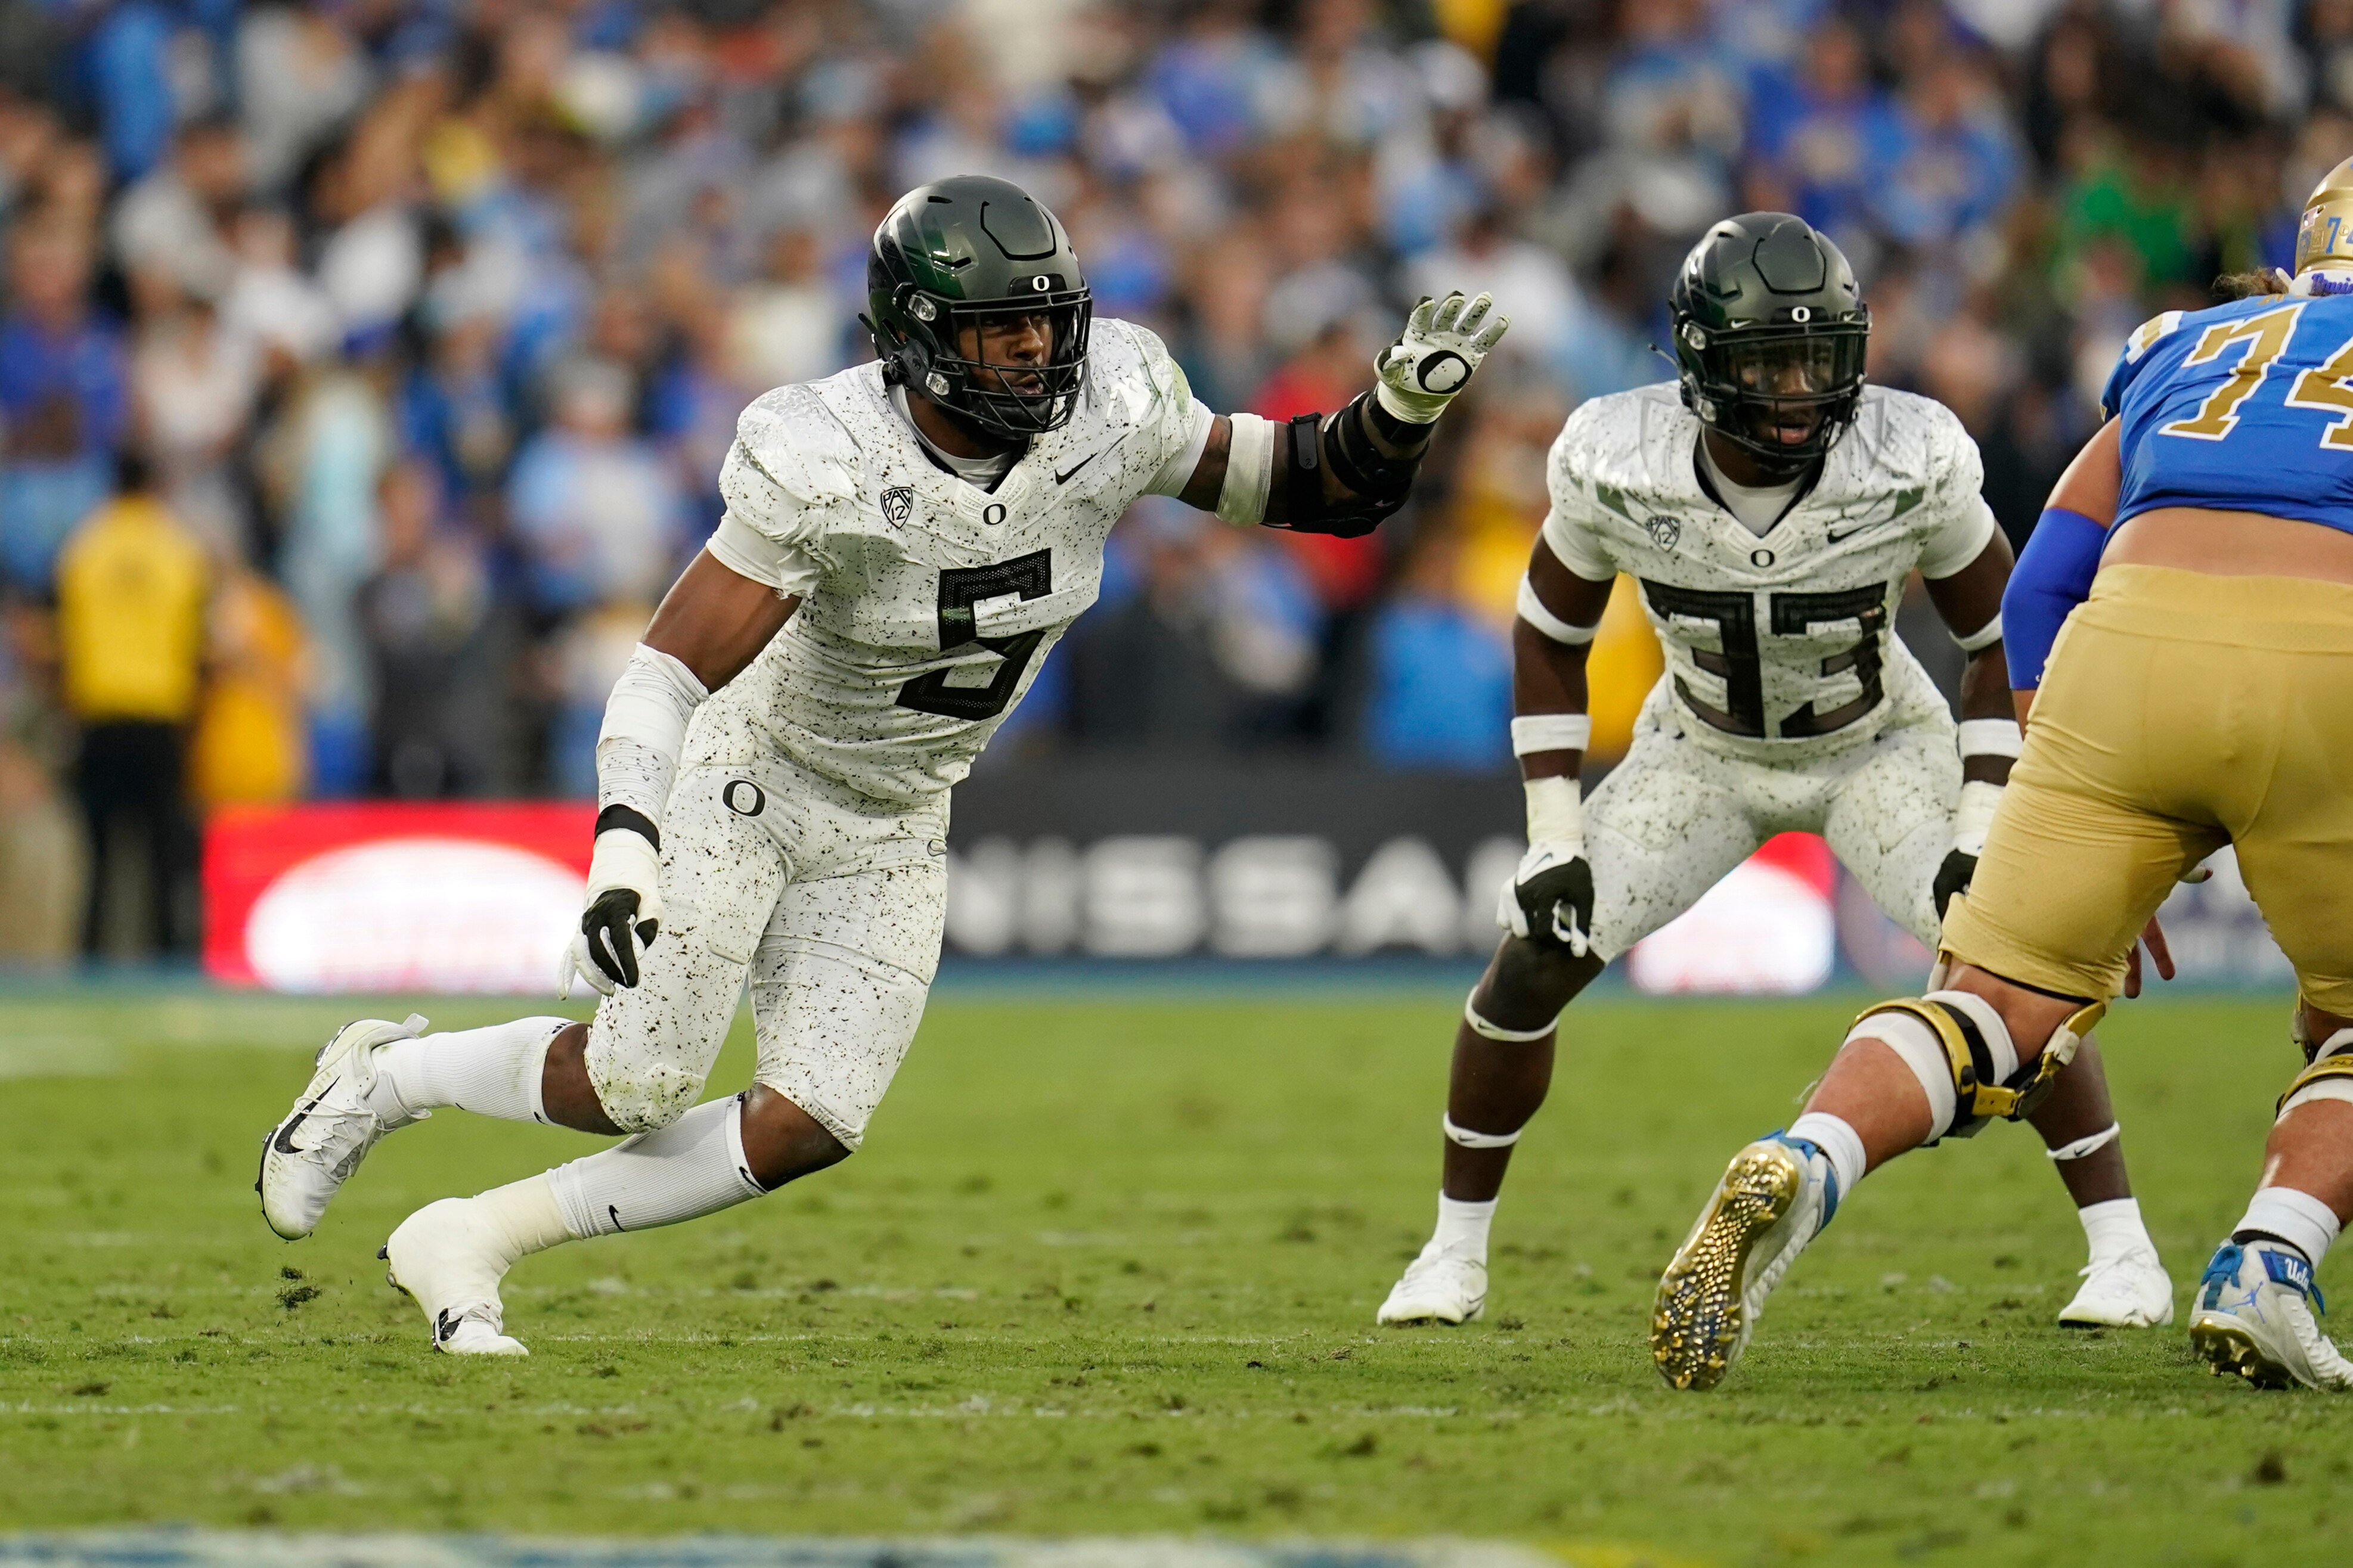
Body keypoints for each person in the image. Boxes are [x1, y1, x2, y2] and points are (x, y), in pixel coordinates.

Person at [255, 174, 1508, 1355]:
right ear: (914, 338)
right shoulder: (825, 453)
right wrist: (625, 848)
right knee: (634, 1075)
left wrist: (1397, 408)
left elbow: (1307, 485)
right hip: (762, 771)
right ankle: (385, 1073)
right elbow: (669, 669)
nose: (1033, 354)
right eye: (997, 332)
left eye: (1044, 323)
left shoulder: (1113, 402)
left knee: (809, 1121)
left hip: (903, 807)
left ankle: (475, 1230)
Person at [1377, 213, 2170, 1335]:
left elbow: (1997, 638)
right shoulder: (1618, 459)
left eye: (1817, 358)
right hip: (1697, 750)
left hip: (1879, 745)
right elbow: (1549, 633)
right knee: (1529, 966)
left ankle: (2123, 1252)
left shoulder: (1910, 455)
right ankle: (1451, 1256)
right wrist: (1552, 834)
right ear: (1703, 364)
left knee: (2010, 969)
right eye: (1767, 363)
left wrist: (1984, 817)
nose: (1798, 388)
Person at [1650, 164, 2353, 1393]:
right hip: (2333, 649)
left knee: (1995, 1006)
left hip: (2120, 662)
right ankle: (2271, 1254)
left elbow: (2038, 587)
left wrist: (2086, 800)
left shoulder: (2193, 339)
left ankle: (1806, 1154)